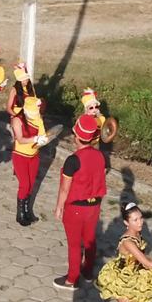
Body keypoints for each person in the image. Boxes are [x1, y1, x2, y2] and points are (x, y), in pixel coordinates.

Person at [53, 115, 107, 291]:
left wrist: (59, 207)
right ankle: (88, 272)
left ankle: (72, 279)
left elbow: (64, 189)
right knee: (90, 239)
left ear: (76, 136)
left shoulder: (72, 160)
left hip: (76, 208)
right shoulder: (100, 156)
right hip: (94, 206)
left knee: (75, 244)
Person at [9, 95, 48, 226]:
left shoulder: (38, 118)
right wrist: (35, 139)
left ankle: (27, 210)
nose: (36, 115)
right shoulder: (17, 120)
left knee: (31, 184)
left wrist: (43, 139)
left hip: (34, 155)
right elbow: (20, 139)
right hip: (20, 155)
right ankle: (20, 214)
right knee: (24, 184)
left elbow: (42, 133)